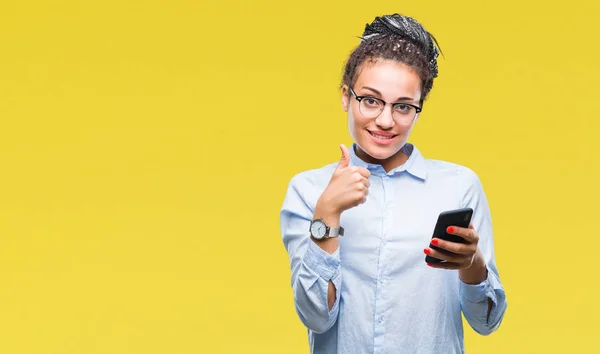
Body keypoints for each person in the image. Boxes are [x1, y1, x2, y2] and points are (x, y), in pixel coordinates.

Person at [279, 13, 507, 354]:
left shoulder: (459, 186)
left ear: (418, 110)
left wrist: (472, 265)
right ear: (346, 96)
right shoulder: (309, 190)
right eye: (370, 100)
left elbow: (486, 322)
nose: (385, 120)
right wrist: (327, 214)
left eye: (402, 106)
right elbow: (316, 317)